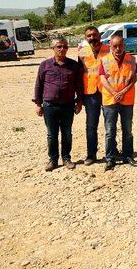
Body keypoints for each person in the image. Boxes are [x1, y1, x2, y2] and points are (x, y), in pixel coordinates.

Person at [33, 38, 83, 171]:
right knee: (52, 134)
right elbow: (39, 85)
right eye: (59, 47)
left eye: (65, 47)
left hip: (67, 105)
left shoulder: (73, 65)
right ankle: (53, 160)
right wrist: (38, 104)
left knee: (67, 133)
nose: (62, 49)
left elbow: (79, 86)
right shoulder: (45, 65)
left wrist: (79, 102)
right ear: (53, 48)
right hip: (50, 106)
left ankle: (66, 158)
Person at [99, 35, 137, 170]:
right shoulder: (104, 60)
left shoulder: (131, 59)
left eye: (120, 45)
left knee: (127, 130)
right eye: (114, 46)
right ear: (110, 46)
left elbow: (134, 78)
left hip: (127, 99)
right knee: (110, 131)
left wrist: (123, 91)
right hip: (110, 100)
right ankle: (110, 158)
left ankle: (128, 155)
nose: (117, 48)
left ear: (124, 45)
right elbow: (103, 79)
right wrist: (114, 93)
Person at [77, 26, 110, 165]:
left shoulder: (109, 50)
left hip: (107, 92)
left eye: (94, 35)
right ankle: (91, 154)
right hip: (90, 94)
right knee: (91, 126)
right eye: (89, 36)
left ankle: (112, 152)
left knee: (110, 124)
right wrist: (79, 96)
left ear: (100, 35)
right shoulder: (82, 53)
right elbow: (79, 74)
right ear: (86, 38)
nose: (92, 38)